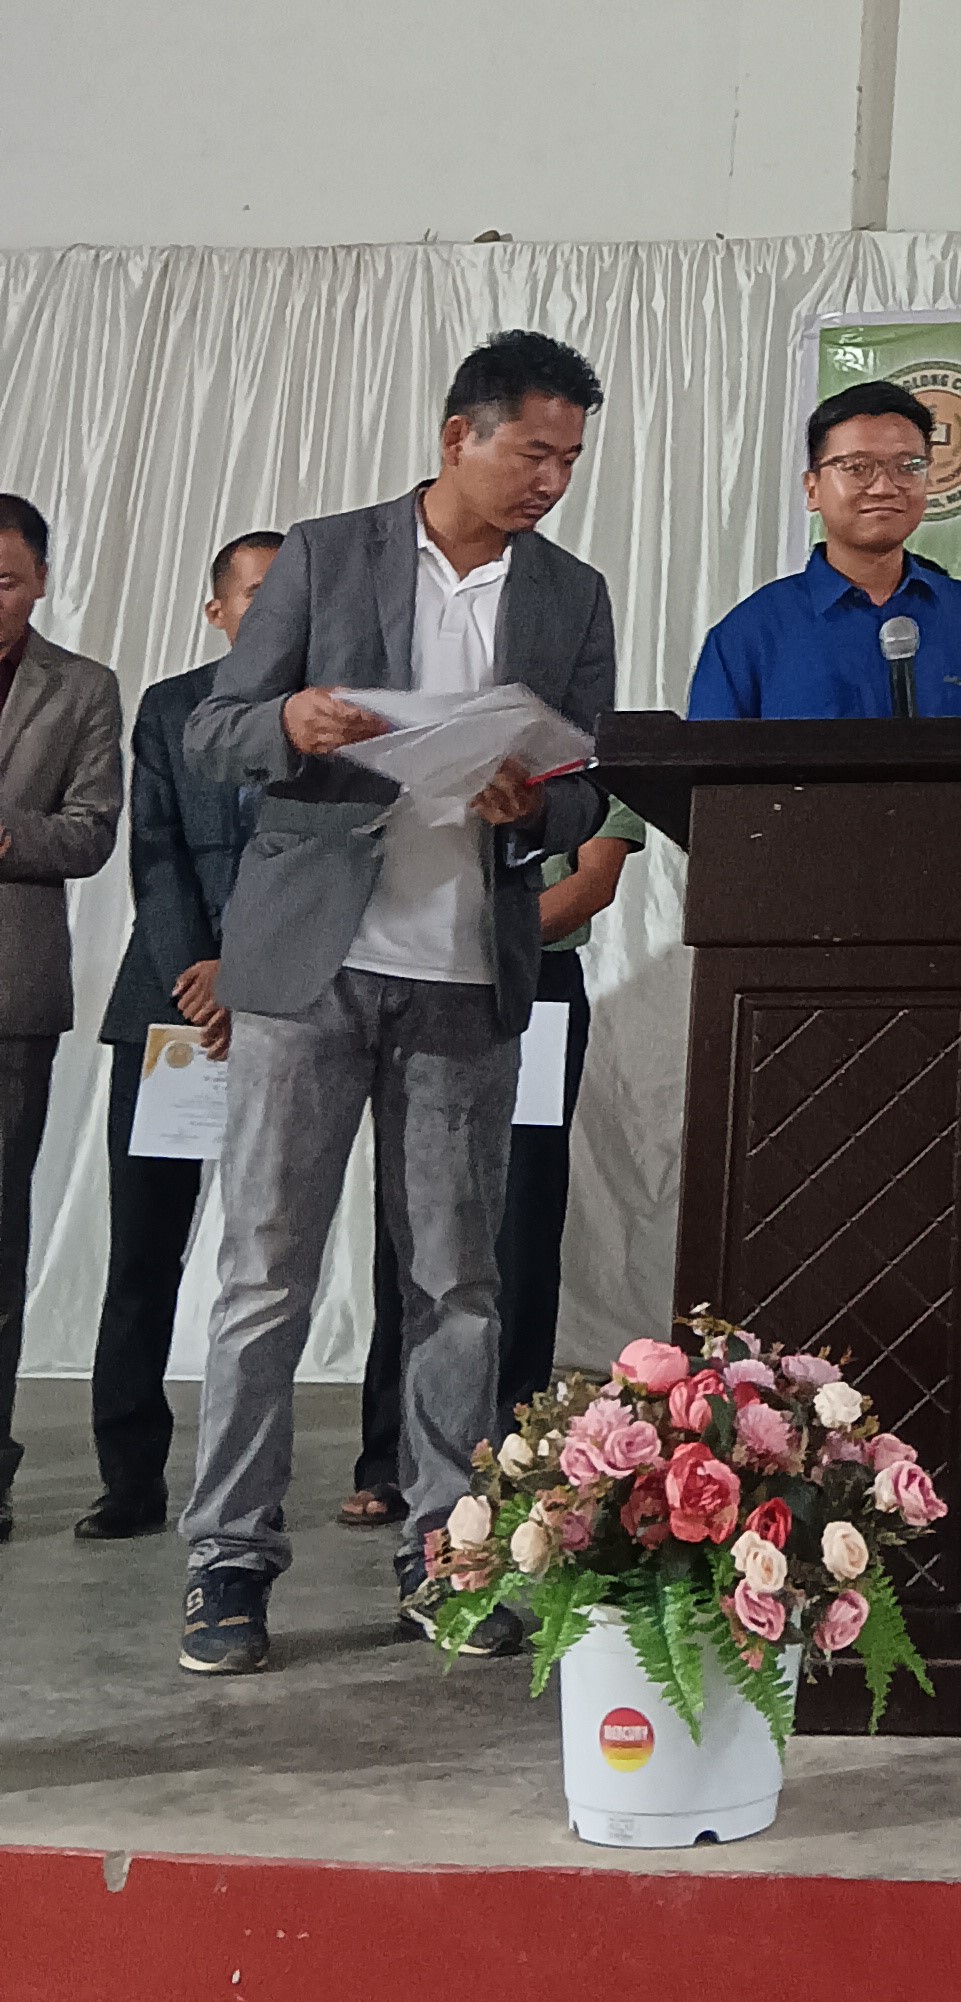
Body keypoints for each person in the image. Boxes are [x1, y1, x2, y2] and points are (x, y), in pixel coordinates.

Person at [175, 331, 615, 1675]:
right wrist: (291, 723)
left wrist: (535, 804)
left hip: (467, 972)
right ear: (455, 437)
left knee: (457, 1288)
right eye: (532, 452)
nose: (551, 480)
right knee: (265, 1275)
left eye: (570, 460)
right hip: (313, 970)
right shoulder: (326, 554)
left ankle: (449, 1551)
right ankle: (229, 1560)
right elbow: (213, 731)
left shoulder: (571, 594)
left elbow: (596, 784)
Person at [346, 794, 644, 1527]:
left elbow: (594, 880)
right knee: (412, 1216)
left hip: (537, 982)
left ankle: (511, 1444)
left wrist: (493, 940)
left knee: (525, 1216)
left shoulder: (593, 763)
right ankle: (390, 1456)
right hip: (433, 980)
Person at [77, 530, 280, 1540]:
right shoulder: (169, 707)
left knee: (272, 1254)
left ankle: (253, 1478)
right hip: (169, 1009)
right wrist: (200, 970)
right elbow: (152, 853)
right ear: (217, 610)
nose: (273, 611)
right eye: (255, 594)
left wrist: (249, 972)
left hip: (291, 1007)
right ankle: (130, 1476)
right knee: (144, 1254)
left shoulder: (332, 714)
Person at [0, 494, 127, 1545]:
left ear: (41, 580)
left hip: (10, 997)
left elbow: (89, 836)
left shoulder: (81, 688)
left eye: (4, 581)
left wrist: (3, 836)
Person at [689, 380, 961, 720]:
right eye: (857, 468)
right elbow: (712, 760)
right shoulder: (749, 636)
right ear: (812, 489)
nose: (884, 487)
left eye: (908, 467)